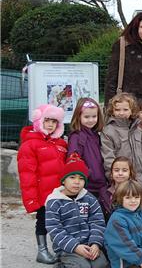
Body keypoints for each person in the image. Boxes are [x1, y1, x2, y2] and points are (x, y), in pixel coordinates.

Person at [17, 103, 67, 264]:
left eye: (54, 122)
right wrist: (32, 198)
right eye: (47, 121)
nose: (51, 124)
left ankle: (59, 249)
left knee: (60, 221)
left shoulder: (60, 144)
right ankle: (42, 251)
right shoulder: (30, 144)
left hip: (59, 192)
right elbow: (27, 173)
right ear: (39, 121)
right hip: (43, 194)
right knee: (43, 221)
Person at [45, 155, 108, 268]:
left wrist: (95, 244)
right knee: (83, 266)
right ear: (64, 180)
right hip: (67, 247)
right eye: (72, 177)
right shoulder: (54, 202)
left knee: (102, 264)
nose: (77, 182)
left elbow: (97, 222)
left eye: (81, 178)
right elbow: (55, 229)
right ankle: (61, 264)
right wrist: (75, 247)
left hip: (89, 244)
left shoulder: (90, 199)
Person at [104, 180, 142, 268]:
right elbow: (125, 244)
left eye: (136, 197)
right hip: (127, 263)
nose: (133, 201)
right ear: (120, 199)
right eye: (128, 197)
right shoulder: (117, 219)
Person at [68, 98, 106, 198]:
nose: (91, 120)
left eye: (94, 116)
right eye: (86, 117)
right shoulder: (77, 137)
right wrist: (88, 173)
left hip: (100, 183)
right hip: (87, 185)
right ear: (78, 116)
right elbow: (74, 159)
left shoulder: (96, 135)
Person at [101, 92, 136, 180]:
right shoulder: (108, 131)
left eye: (125, 110)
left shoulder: (138, 130)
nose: (121, 113)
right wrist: (113, 177)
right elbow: (108, 157)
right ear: (112, 111)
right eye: (117, 110)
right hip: (119, 179)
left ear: (132, 110)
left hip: (140, 180)